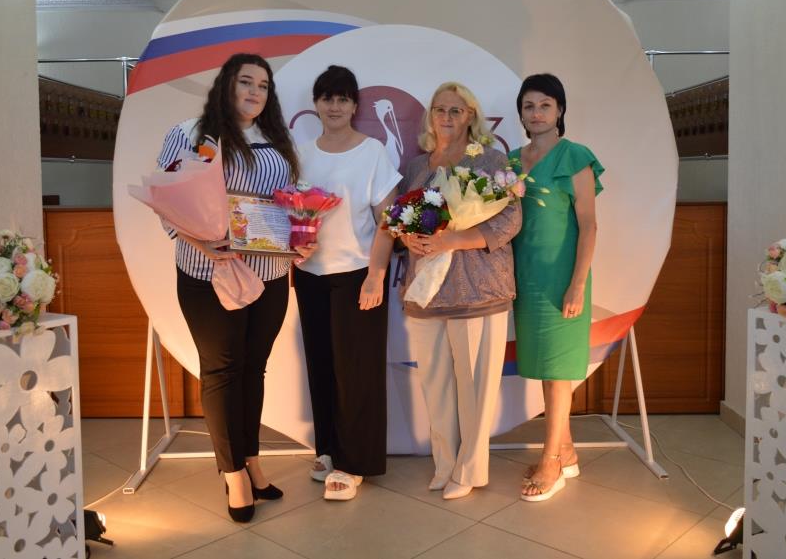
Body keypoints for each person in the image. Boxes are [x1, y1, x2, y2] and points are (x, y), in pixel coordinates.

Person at [155, 53, 309, 522]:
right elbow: (168, 200)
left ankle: (252, 460)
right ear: (226, 84)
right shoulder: (192, 135)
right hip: (209, 273)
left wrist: (300, 236)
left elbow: (285, 203)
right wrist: (200, 242)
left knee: (253, 369)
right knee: (222, 370)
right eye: (246, 82)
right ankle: (233, 473)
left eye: (263, 86)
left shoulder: (276, 140)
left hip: (269, 274)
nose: (255, 92)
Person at [399, 82, 522, 500]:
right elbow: (403, 220)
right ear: (430, 116)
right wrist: (409, 238)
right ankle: (445, 463)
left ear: (471, 115)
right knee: (435, 385)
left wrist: (454, 240)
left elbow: (509, 222)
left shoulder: (491, 160)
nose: (447, 117)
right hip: (427, 291)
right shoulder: (418, 167)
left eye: (456, 110)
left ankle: (470, 470)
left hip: (478, 289)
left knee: (474, 387)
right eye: (440, 109)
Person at [293, 65, 401, 501]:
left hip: (358, 274)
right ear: (315, 104)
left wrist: (376, 275)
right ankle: (328, 449)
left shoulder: (372, 152)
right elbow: (292, 214)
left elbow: (388, 222)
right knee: (321, 366)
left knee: (357, 372)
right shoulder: (301, 153)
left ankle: (354, 463)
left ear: (355, 106)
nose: (334, 106)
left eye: (342, 99)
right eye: (327, 98)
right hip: (309, 274)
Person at [509, 73, 604, 502]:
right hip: (524, 276)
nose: (537, 113)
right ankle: (566, 450)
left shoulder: (575, 156)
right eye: (529, 106)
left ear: (560, 110)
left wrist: (577, 284)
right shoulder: (513, 160)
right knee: (544, 368)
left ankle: (551, 462)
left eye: (545, 105)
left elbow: (589, 226)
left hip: (562, 277)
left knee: (559, 370)